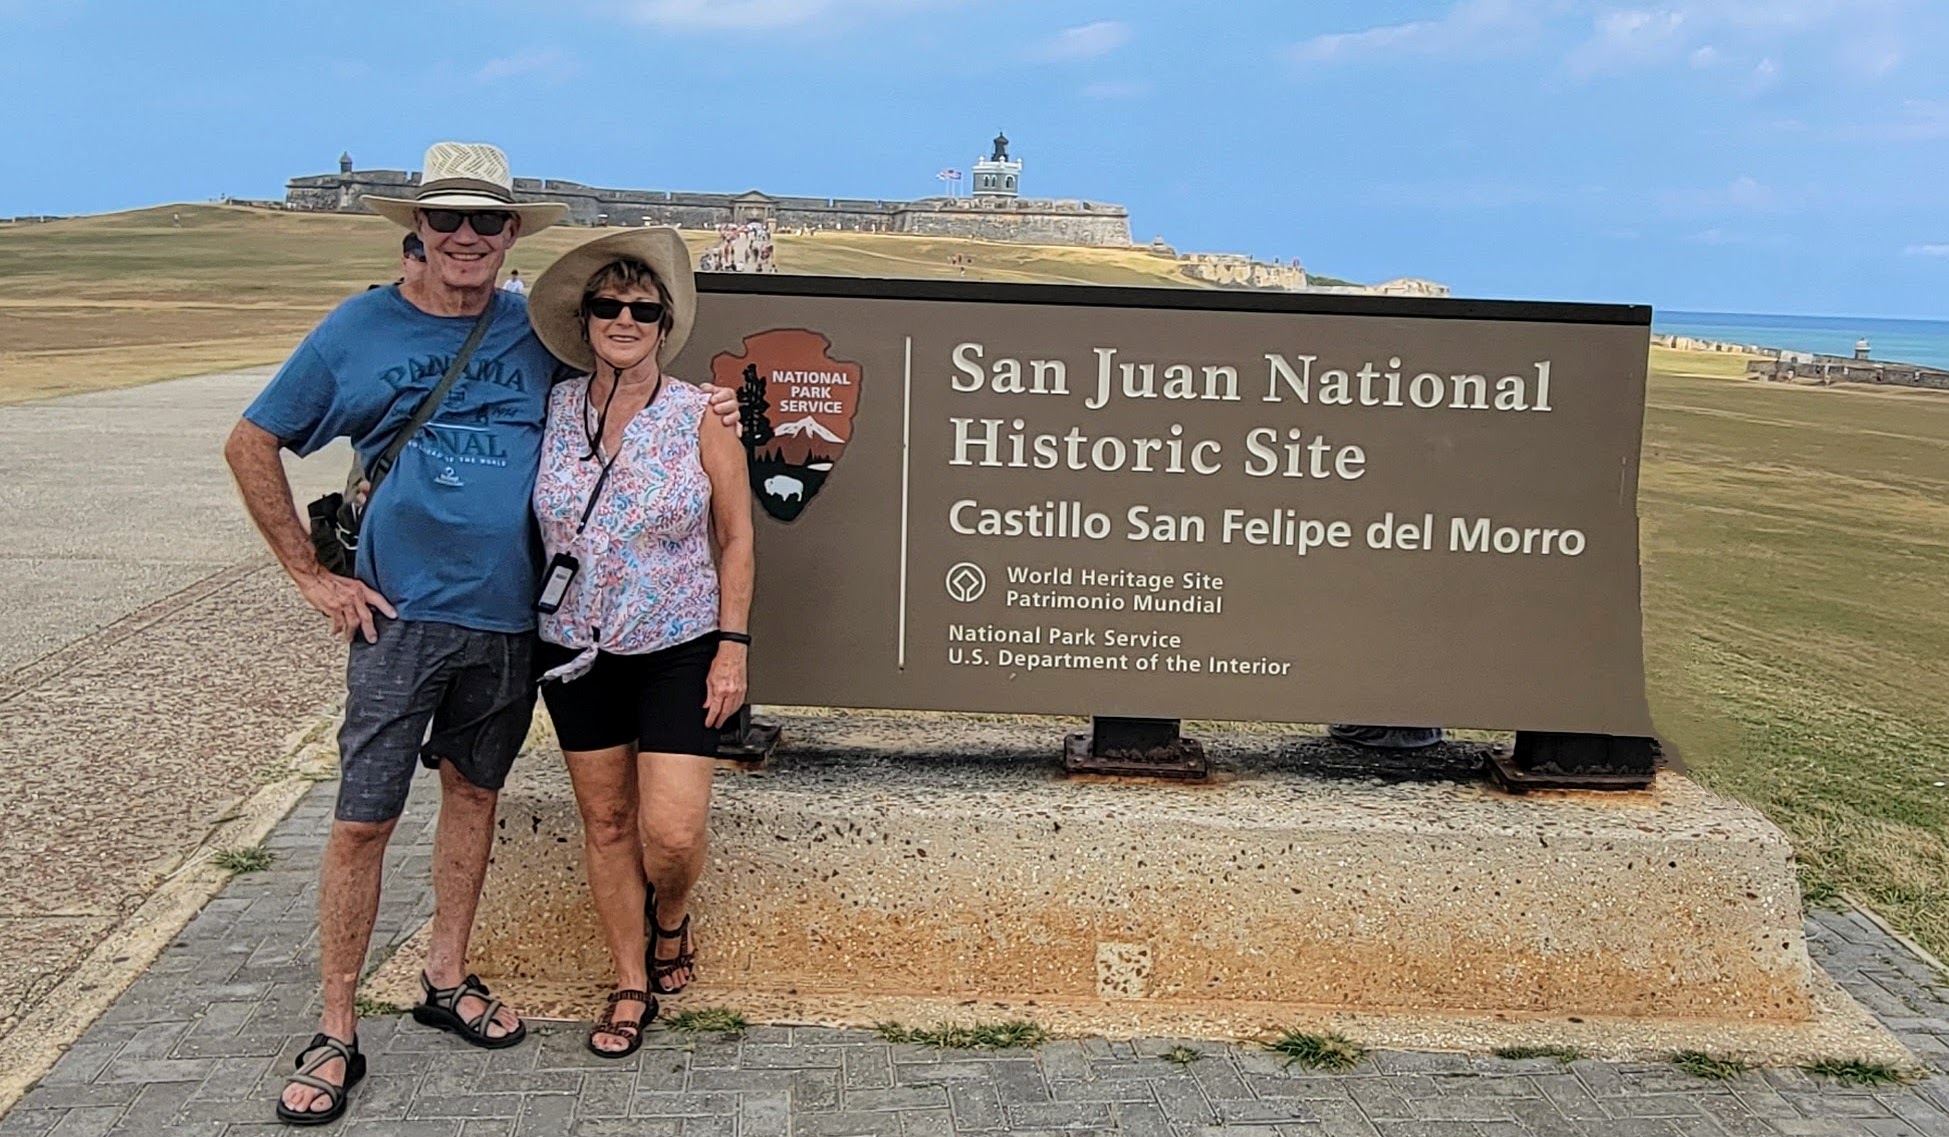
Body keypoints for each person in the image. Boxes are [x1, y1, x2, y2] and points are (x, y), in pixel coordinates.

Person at [224, 141, 570, 1126]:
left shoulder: (536, 329)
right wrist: (309, 572)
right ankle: (337, 1024)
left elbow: (625, 379)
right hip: (399, 616)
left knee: (474, 793)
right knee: (363, 819)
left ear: (511, 234)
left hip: (507, 617)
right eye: (447, 218)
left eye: (486, 220)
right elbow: (252, 441)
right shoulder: (358, 329)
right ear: (416, 228)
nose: (466, 236)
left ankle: (444, 974)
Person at [522, 228, 754, 1058]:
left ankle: (671, 913)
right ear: (584, 320)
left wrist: (732, 645)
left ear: (664, 325)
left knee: (673, 832)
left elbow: (735, 534)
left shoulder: (701, 414)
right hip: (573, 648)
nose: (624, 320)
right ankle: (628, 979)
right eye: (608, 306)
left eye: (643, 309)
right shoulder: (550, 407)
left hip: (677, 644)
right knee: (609, 820)